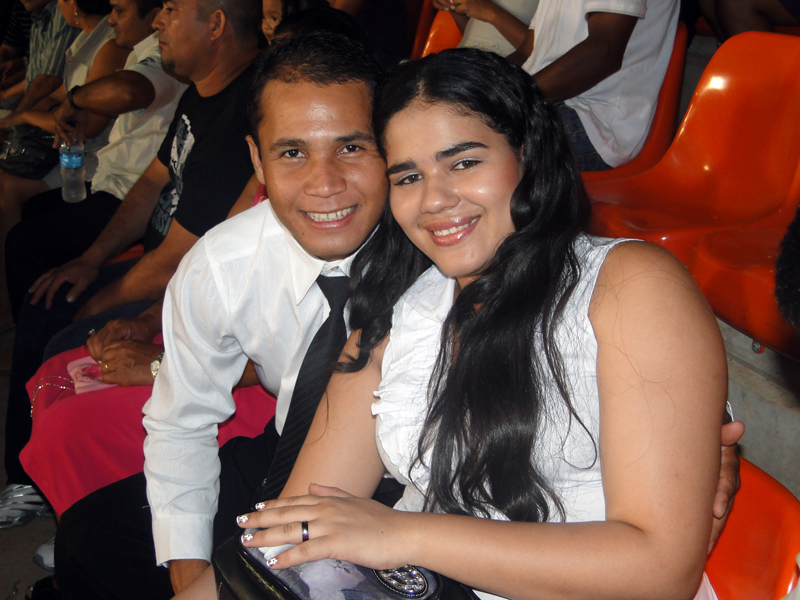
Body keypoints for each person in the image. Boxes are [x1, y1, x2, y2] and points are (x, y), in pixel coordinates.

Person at [178, 48, 733, 600]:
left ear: (527, 154)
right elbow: (291, 535)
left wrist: (402, 534)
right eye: (409, 176)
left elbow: (660, 570)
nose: (435, 200)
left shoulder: (629, 285)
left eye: (464, 162)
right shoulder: (397, 318)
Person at [0, 0, 260, 531]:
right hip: (160, 265)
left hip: (185, 282)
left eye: (172, 9)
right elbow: (152, 182)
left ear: (215, 24)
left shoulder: (239, 116)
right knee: (49, 296)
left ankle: (53, 490)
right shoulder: (201, 94)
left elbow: (181, 260)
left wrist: (100, 301)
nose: (158, 20)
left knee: (59, 325)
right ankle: (38, 479)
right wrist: (91, 260)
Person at [438, 0, 678, 171]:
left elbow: (603, 53)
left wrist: (506, 101)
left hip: (591, 120)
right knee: (434, 114)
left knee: (457, 142)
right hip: (548, 103)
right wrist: (474, 85)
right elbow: (530, 51)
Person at [0, 0, 79, 121]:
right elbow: (34, 76)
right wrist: (5, 94)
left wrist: (14, 119)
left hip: (57, 115)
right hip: (44, 110)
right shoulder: (38, 17)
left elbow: (49, 80)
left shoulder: (63, 13)